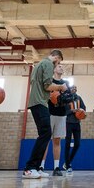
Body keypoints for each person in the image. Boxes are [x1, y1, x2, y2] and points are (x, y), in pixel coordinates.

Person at [24, 50, 67, 179]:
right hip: (39, 102)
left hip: (36, 101)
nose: (57, 65)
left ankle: (37, 168)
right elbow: (48, 86)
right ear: (56, 58)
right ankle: (30, 168)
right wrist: (61, 87)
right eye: (58, 62)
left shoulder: (39, 64)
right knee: (46, 133)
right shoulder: (48, 64)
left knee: (45, 134)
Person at [64, 90, 87, 174]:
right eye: (72, 88)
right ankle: (68, 165)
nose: (74, 89)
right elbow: (64, 112)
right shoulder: (66, 99)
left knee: (77, 144)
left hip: (77, 123)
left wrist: (82, 112)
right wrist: (73, 111)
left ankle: (68, 162)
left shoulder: (78, 98)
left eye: (75, 88)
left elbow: (84, 108)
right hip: (68, 123)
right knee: (67, 144)